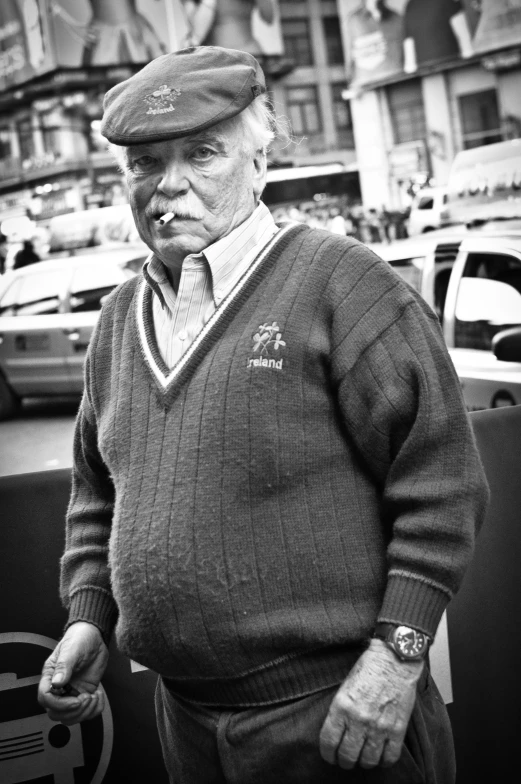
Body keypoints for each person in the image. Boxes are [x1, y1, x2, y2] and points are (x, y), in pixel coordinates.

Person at [38, 46, 489, 783]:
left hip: (340, 714)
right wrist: (89, 615)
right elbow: (97, 493)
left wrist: (396, 659)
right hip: (185, 722)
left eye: (202, 154)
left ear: (258, 164)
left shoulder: (343, 285)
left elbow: (443, 486)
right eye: (145, 163)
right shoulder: (118, 320)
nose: (168, 186)